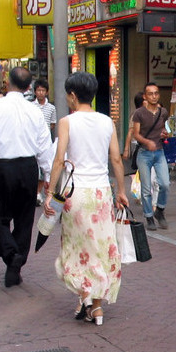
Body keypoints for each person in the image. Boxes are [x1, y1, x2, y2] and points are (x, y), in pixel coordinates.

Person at [45, 72, 129, 326]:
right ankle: (96, 306)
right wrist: (121, 191)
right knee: (101, 247)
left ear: (72, 95)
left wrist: (50, 192)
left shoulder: (67, 121)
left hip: (76, 193)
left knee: (79, 249)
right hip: (102, 192)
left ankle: (85, 298)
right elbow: (115, 159)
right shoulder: (107, 122)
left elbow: (59, 159)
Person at [0, 66, 54, 288]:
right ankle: (17, 259)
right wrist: (47, 173)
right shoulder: (35, 111)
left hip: (1, 167)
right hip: (28, 167)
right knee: (24, 217)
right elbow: (44, 145)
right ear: (29, 87)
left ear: (7, 83)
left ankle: (11, 255)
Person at [131, 83, 171, 231]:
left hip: (159, 152)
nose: (154, 96)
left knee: (165, 184)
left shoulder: (163, 112)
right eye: (150, 93)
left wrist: (164, 134)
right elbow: (136, 133)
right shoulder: (139, 113)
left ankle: (159, 210)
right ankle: (149, 217)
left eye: (156, 93)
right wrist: (147, 141)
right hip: (144, 153)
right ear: (145, 96)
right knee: (146, 189)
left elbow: (164, 129)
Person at [33, 78, 58, 205]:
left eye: (43, 90)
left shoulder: (51, 108)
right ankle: (35, 193)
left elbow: (52, 124)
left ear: (47, 92)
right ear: (35, 92)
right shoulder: (31, 106)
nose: (41, 93)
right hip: (33, 142)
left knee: (45, 169)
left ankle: (39, 193)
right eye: (38, 90)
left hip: (46, 142)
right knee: (35, 169)